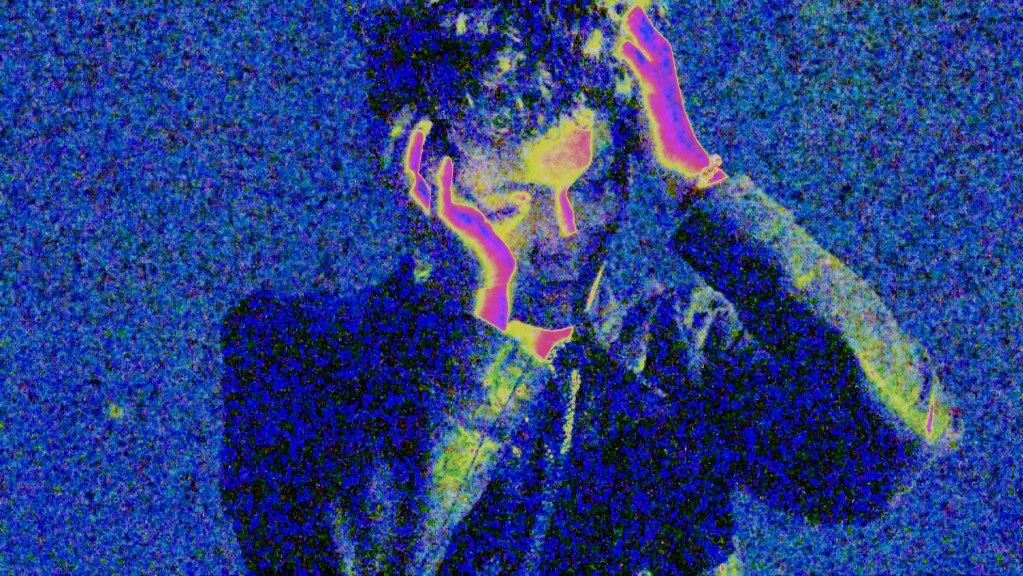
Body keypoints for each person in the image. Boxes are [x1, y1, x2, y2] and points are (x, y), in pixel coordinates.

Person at [219, 1, 961, 574]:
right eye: (510, 202)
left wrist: (697, 179)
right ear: (421, 172)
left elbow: (897, 440)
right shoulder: (295, 355)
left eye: (597, 185)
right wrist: (478, 315)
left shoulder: (675, 355)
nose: (566, 231)